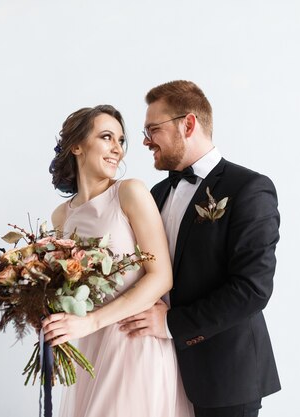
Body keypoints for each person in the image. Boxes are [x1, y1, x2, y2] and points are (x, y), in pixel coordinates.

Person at [118, 80, 281, 417]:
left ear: (187, 124)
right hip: (158, 372)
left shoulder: (249, 188)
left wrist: (172, 324)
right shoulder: (156, 194)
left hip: (224, 376)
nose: (146, 140)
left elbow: (252, 289)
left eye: (153, 129)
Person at [42, 105, 194, 417]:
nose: (117, 149)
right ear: (77, 145)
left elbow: (161, 276)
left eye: (120, 140)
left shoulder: (130, 193)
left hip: (134, 342)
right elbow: (67, 291)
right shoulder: (61, 216)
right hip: (89, 346)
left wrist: (92, 321)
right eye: (107, 137)